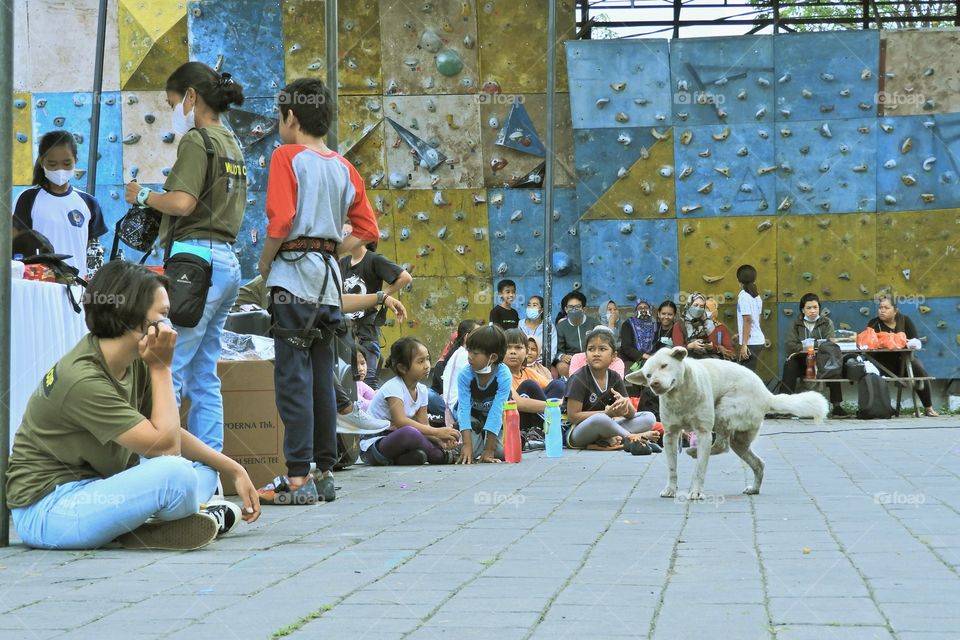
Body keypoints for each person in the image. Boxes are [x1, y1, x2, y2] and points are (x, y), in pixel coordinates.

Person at [5, 261, 261, 551]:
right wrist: (162, 367)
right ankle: (156, 521)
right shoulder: (83, 378)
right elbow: (165, 448)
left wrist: (233, 468)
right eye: (163, 316)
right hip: (49, 511)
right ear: (129, 316)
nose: (170, 326)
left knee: (203, 472)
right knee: (177, 474)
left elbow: (170, 434)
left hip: (100, 489)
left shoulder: (133, 360)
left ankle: (145, 525)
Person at [256, 77, 380, 504]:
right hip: (328, 285)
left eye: (280, 116)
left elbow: (280, 221)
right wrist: (330, 248)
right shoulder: (344, 167)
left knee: (293, 379)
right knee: (322, 380)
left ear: (291, 117)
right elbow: (367, 230)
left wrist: (266, 259)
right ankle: (325, 471)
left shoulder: (286, 156)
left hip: (292, 282)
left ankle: (295, 478)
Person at [123, 62, 247, 474]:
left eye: (175, 102)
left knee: (168, 369)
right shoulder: (232, 141)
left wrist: (143, 196)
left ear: (192, 97)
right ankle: (208, 476)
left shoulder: (198, 139)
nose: (175, 110)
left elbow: (181, 203)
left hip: (195, 263)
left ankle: (164, 472)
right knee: (205, 375)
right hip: (227, 261)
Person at [14, 130, 107, 279]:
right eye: (52, 164)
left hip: (76, 286)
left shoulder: (88, 202)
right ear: (42, 162)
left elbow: (93, 252)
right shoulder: (27, 199)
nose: (60, 169)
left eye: (66, 163)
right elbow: (15, 247)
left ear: (75, 159)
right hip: (38, 284)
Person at [361, 337, 460, 465]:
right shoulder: (393, 387)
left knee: (418, 451)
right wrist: (437, 431)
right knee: (409, 433)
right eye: (420, 361)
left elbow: (424, 426)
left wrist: (438, 439)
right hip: (374, 445)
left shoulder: (423, 390)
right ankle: (439, 456)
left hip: (395, 442)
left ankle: (401, 459)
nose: (427, 365)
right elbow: (401, 421)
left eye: (428, 359)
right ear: (402, 368)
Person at [563, 327, 660, 453]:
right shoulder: (579, 378)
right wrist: (608, 414)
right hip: (575, 432)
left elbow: (630, 415)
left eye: (602, 349)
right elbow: (572, 417)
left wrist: (625, 405)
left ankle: (609, 439)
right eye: (591, 349)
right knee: (600, 419)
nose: (596, 353)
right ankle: (634, 438)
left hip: (606, 426)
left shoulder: (614, 377)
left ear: (613, 356)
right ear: (586, 355)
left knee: (649, 417)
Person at [340, 241, 412, 389]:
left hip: (367, 328)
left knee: (368, 380)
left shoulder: (373, 259)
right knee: (350, 380)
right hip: (346, 330)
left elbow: (405, 277)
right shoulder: (343, 263)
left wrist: (381, 296)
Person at [866, 294, 939, 417]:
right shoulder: (874, 324)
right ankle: (879, 409)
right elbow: (868, 344)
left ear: (895, 310)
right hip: (881, 363)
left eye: (886, 308)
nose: (882, 310)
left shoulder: (905, 321)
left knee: (919, 369)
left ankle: (928, 407)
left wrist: (907, 343)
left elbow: (914, 341)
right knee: (869, 372)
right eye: (880, 307)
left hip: (904, 361)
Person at [455, 324, 512, 464]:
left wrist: (489, 450)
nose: (469, 357)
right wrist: (467, 445)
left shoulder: (503, 375)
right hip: (473, 416)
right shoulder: (465, 374)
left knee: (499, 452)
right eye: (469, 351)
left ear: (492, 357)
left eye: (475, 353)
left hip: (493, 417)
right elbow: (463, 409)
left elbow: (497, 411)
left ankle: (501, 439)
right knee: (471, 451)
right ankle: (472, 441)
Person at [782, 293, 846, 417]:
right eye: (809, 308)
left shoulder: (827, 323)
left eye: (815, 307)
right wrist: (811, 346)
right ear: (802, 310)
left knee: (833, 364)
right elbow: (790, 344)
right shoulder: (795, 324)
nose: (812, 311)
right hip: (802, 359)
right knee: (789, 365)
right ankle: (784, 406)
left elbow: (829, 343)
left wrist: (808, 345)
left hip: (822, 358)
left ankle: (837, 406)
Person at [503, 329, 566, 450]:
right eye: (508, 348)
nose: (512, 352)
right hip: (514, 420)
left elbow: (552, 388)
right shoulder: (501, 374)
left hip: (536, 415)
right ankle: (550, 429)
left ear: (526, 352)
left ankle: (543, 431)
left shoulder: (528, 371)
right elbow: (518, 403)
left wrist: (562, 402)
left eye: (518, 348)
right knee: (529, 386)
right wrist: (555, 406)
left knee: (558, 384)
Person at [555, 290, 599, 378]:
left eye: (578, 306)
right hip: (571, 360)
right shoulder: (561, 327)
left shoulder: (594, 324)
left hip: (591, 357)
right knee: (561, 366)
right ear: (566, 309)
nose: (574, 310)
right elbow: (558, 350)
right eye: (570, 307)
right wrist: (562, 356)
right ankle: (573, 386)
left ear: (584, 309)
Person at [681, 293, 735, 360]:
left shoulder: (720, 328)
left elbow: (730, 352)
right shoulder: (690, 325)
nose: (701, 311)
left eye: (707, 309)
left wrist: (717, 348)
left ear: (714, 312)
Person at [736, 264, 765, 371]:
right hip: (757, 340)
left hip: (751, 342)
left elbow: (747, 320)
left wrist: (744, 345)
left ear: (739, 280)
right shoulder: (756, 296)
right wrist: (740, 334)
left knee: (746, 374)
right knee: (747, 372)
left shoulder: (743, 296)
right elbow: (756, 319)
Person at [620, 298, 658, 371]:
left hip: (651, 360)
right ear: (635, 311)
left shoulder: (655, 325)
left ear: (650, 310)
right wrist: (644, 356)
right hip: (630, 360)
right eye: (640, 308)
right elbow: (626, 347)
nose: (643, 310)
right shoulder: (628, 324)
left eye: (646, 307)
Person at [520, 295, 556, 363]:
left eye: (534, 305)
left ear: (542, 310)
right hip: (522, 363)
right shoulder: (520, 324)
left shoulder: (549, 327)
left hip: (542, 364)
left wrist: (542, 365)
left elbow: (552, 351)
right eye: (529, 305)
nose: (531, 308)